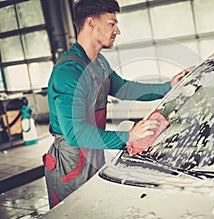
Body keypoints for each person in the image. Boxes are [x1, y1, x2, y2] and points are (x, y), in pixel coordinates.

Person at [43, 0, 195, 209]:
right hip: (69, 160)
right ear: (90, 23)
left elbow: (124, 89)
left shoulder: (99, 63)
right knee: (74, 211)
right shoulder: (68, 72)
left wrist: (168, 86)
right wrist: (129, 136)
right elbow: (75, 134)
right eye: (112, 23)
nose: (118, 30)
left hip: (94, 150)